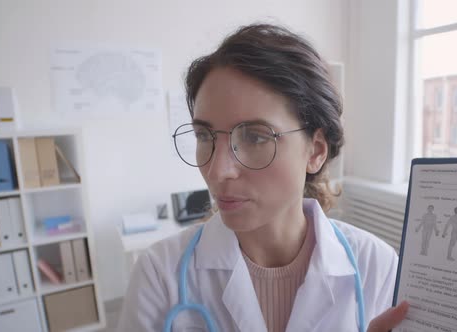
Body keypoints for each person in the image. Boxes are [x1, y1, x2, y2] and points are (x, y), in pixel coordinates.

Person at [118, 24, 408, 332]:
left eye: (255, 138)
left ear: (316, 151)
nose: (218, 171)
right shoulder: (161, 273)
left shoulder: (377, 265)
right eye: (205, 136)